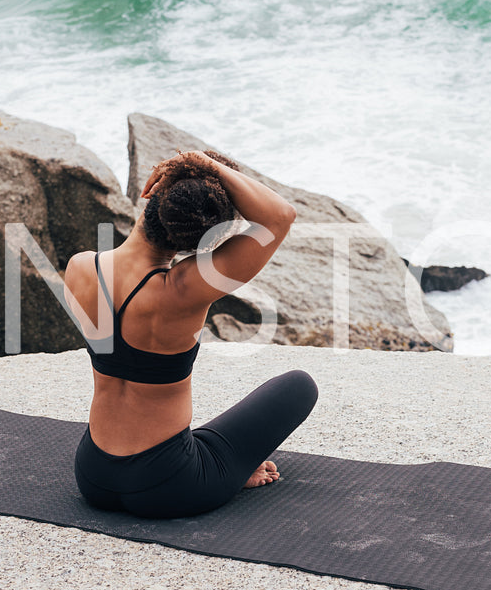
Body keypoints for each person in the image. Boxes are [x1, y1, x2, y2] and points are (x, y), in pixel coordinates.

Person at [63, 149, 319, 519]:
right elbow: (279, 216)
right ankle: (228, 474)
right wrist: (207, 163)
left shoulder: (80, 268)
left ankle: (227, 468)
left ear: (150, 196)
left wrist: (183, 167)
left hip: (92, 474)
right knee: (299, 385)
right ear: (201, 242)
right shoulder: (184, 291)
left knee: (198, 441)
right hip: (170, 485)